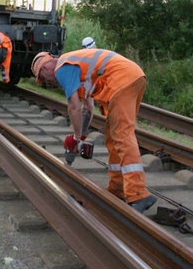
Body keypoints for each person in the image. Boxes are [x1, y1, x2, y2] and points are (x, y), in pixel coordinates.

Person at [31, 49, 157, 213]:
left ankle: (139, 194)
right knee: (113, 137)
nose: (47, 82)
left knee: (122, 135)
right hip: (130, 77)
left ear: (46, 68)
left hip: (122, 80)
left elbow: (74, 107)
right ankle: (117, 188)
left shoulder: (62, 68)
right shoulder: (78, 67)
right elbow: (88, 109)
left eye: (43, 78)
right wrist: (81, 136)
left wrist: (76, 138)